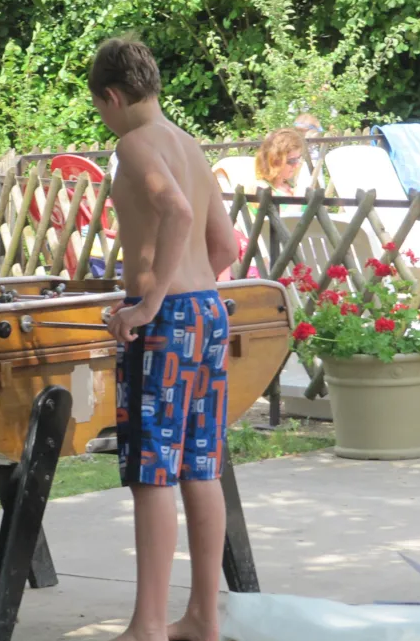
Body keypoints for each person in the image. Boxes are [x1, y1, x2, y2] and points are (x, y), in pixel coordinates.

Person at [88, 36, 240, 641]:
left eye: (101, 107)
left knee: (153, 472)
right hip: (207, 311)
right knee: (201, 467)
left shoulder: (134, 143)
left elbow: (175, 211)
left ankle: (147, 626)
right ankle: (203, 616)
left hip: (165, 321)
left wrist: (149, 299)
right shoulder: (191, 144)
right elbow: (224, 246)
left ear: (113, 95)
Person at [250, 127, 307, 217]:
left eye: (298, 159)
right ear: (274, 161)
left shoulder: (289, 186)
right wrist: (300, 194)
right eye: (292, 161)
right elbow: (283, 222)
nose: (296, 165)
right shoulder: (261, 188)